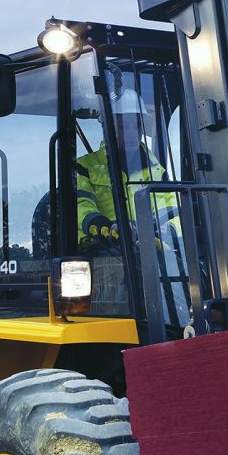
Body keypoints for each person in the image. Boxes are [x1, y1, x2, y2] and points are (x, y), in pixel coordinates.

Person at [76, 84, 190, 327]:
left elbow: (174, 212)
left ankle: (185, 329)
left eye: (134, 125)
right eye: (120, 125)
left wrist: (159, 233)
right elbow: (81, 206)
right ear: (106, 126)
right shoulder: (85, 167)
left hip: (150, 249)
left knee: (192, 268)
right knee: (128, 274)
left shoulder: (157, 172)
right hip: (103, 251)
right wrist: (103, 226)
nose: (128, 132)